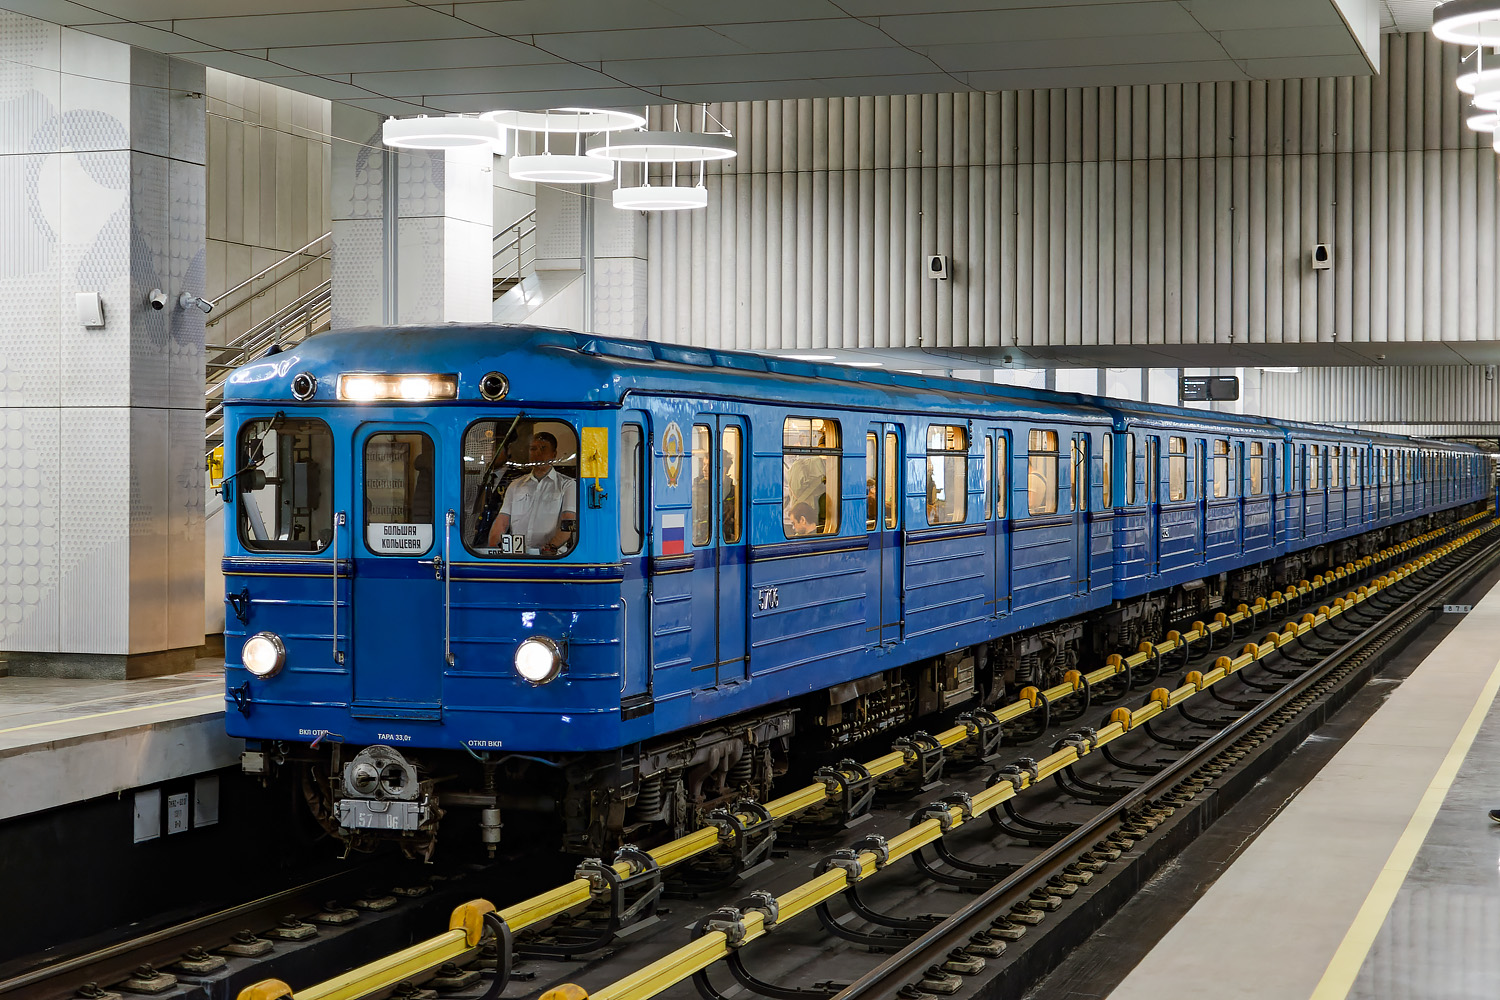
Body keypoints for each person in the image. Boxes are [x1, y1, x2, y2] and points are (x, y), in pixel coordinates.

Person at [487, 431, 576, 555]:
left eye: (543, 448)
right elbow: (502, 522)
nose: (537, 453)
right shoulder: (515, 485)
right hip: (518, 556)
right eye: (533, 449)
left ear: (554, 454)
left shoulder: (567, 485)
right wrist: (493, 548)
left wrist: (550, 548)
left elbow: (568, 522)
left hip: (553, 559)